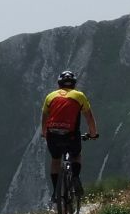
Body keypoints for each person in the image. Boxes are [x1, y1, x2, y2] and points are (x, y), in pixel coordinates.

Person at [41, 70, 98, 200]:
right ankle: (76, 177)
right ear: (73, 84)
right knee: (76, 155)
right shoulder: (79, 95)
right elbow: (89, 117)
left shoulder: (50, 96)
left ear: (59, 84)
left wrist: (44, 133)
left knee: (55, 160)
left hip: (52, 135)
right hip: (71, 135)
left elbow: (44, 117)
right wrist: (93, 134)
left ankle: (56, 191)